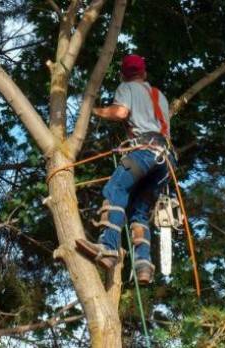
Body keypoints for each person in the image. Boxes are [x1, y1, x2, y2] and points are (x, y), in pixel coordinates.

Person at [75, 54, 174, 285]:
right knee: (139, 212)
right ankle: (143, 265)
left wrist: (95, 110)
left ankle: (108, 248)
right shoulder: (160, 96)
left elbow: (120, 113)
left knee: (116, 188)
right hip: (167, 160)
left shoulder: (126, 87)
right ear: (145, 74)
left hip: (145, 151)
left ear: (123, 75)